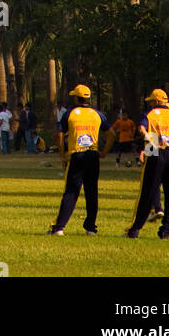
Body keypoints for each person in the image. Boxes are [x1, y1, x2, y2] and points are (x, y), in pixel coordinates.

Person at [124, 88, 169, 240]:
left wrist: (152, 141)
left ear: (157, 101)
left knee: (147, 192)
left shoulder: (149, 114)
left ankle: (134, 230)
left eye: (151, 101)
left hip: (154, 150)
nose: (149, 103)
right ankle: (167, 231)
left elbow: (142, 129)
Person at [48, 84, 114, 235]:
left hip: (76, 155)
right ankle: (91, 227)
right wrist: (104, 152)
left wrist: (62, 153)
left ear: (77, 98)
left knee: (71, 191)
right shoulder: (97, 114)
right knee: (92, 191)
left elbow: (59, 134)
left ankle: (59, 227)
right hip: (92, 155)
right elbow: (111, 133)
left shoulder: (70, 113)